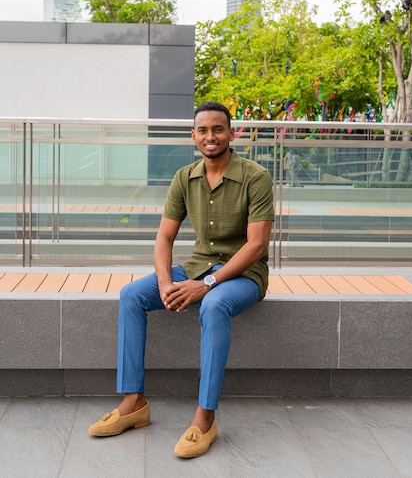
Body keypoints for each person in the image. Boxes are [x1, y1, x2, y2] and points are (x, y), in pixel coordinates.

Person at [88, 101, 274, 458]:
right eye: (202, 130)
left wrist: (207, 285)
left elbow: (257, 245)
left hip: (244, 274)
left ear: (231, 134)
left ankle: (205, 418)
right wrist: (164, 284)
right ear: (193, 136)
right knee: (131, 294)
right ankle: (134, 403)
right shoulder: (184, 178)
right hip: (196, 268)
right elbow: (164, 239)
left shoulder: (256, 177)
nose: (210, 136)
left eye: (218, 129)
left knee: (215, 305)